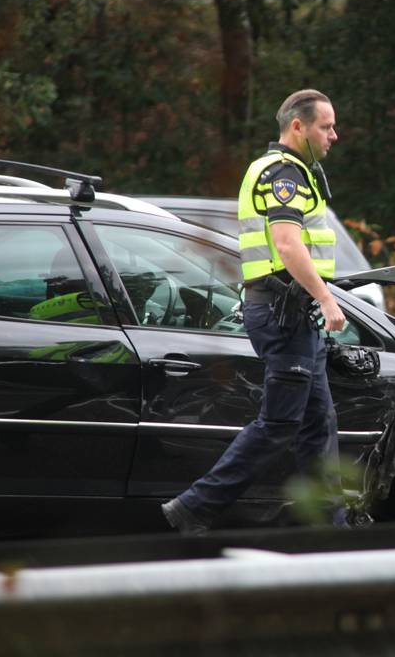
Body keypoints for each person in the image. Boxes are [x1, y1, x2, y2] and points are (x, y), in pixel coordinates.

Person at [162, 89, 347, 534]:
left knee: (317, 424)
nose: (334, 136)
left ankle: (330, 528)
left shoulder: (295, 172)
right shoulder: (283, 173)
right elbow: (286, 243)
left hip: (294, 315)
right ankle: (194, 508)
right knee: (282, 422)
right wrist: (325, 297)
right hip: (286, 313)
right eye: (326, 126)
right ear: (297, 127)